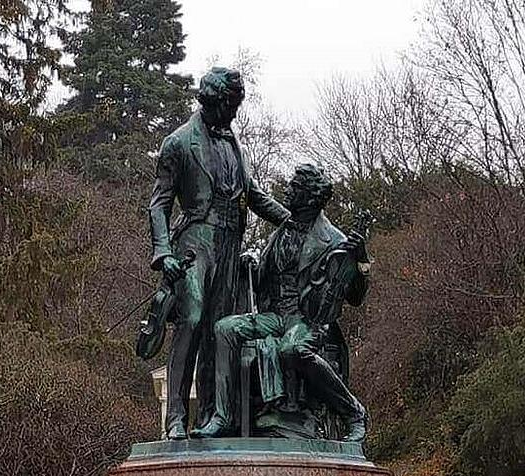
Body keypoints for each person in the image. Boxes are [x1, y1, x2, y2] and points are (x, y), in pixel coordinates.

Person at [148, 66, 290, 439]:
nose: (235, 112)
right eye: (232, 105)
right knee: (191, 322)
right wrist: (163, 252)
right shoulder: (178, 143)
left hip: (230, 246)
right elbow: (159, 204)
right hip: (194, 245)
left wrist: (291, 221)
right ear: (214, 101)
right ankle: (176, 416)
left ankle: (212, 416)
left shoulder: (231, 142)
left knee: (219, 332)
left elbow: (252, 194)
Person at [191, 163, 370, 442]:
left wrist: (361, 261)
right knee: (225, 328)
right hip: (274, 314)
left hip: (306, 319)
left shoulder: (334, 239)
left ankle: (353, 411)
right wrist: (250, 262)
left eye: (294, 189)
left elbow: (356, 297)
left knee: (293, 349)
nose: (287, 192)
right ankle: (223, 417)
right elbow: (266, 273)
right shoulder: (281, 230)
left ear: (310, 197)